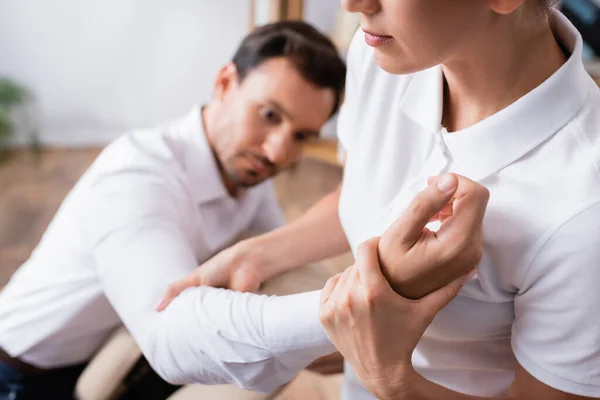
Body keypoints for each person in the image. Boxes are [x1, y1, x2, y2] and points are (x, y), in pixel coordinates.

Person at [162, 0, 600, 399]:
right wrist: (257, 255)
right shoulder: (381, 57)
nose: (352, 4)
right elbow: (362, 191)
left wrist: (390, 377)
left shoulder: (584, 210)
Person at [0, 21, 346, 399]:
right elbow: (172, 337)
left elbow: (282, 269)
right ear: (226, 83)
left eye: (301, 136)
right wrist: (338, 317)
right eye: (269, 115)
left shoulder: (246, 170)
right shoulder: (137, 175)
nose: (278, 151)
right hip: (23, 374)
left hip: (114, 348)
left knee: (287, 286)